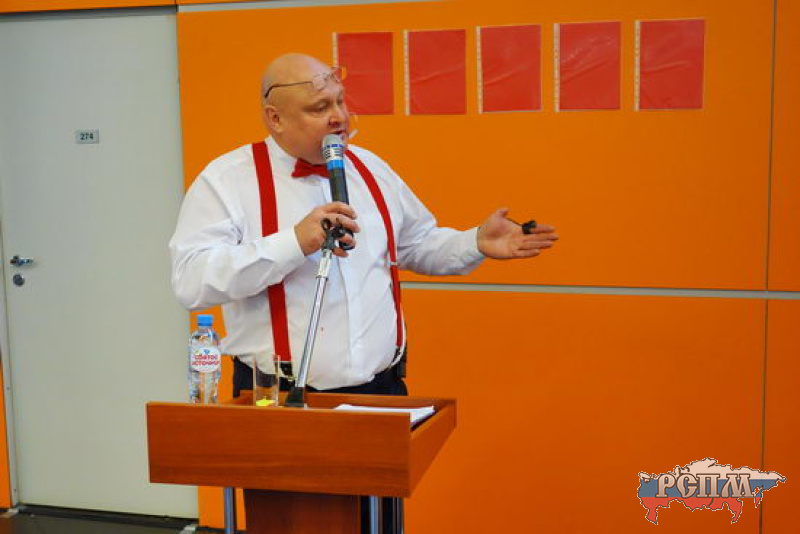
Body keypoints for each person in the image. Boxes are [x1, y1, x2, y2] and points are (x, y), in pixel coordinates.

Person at [169, 53, 558, 398]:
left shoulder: (371, 168)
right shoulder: (227, 180)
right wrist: (294, 242)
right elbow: (191, 281)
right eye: (319, 107)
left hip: (382, 392)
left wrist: (474, 242)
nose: (339, 117)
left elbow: (417, 244)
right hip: (276, 396)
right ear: (275, 118)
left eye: (340, 101)